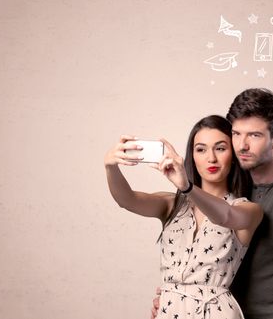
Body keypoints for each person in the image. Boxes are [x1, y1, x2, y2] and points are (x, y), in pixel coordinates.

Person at [151, 88, 273, 319]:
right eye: (236, 134)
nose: (242, 145)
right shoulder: (220, 186)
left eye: (254, 135)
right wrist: (176, 299)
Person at [104, 115, 263, 319]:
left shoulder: (248, 209)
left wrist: (187, 187)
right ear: (192, 156)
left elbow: (226, 215)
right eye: (201, 149)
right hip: (169, 311)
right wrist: (110, 166)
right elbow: (127, 200)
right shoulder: (172, 205)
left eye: (220, 148)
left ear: (233, 155)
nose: (211, 158)